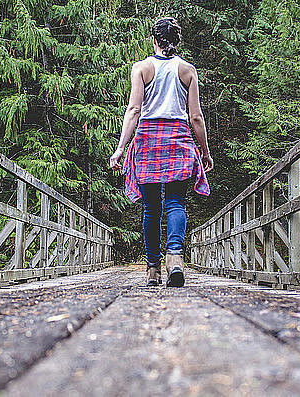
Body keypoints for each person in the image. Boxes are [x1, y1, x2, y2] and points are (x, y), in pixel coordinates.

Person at [109, 17, 213, 287]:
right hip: (177, 140)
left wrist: (120, 148)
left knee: (151, 208)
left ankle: (153, 269)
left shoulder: (141, 68)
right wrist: (205, 151)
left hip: (147, 142)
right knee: (176, 203)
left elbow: (133, 110)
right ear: (177, 42)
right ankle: (175, 259)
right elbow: (196, 117)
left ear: (153, 40)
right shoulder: (187, 70)